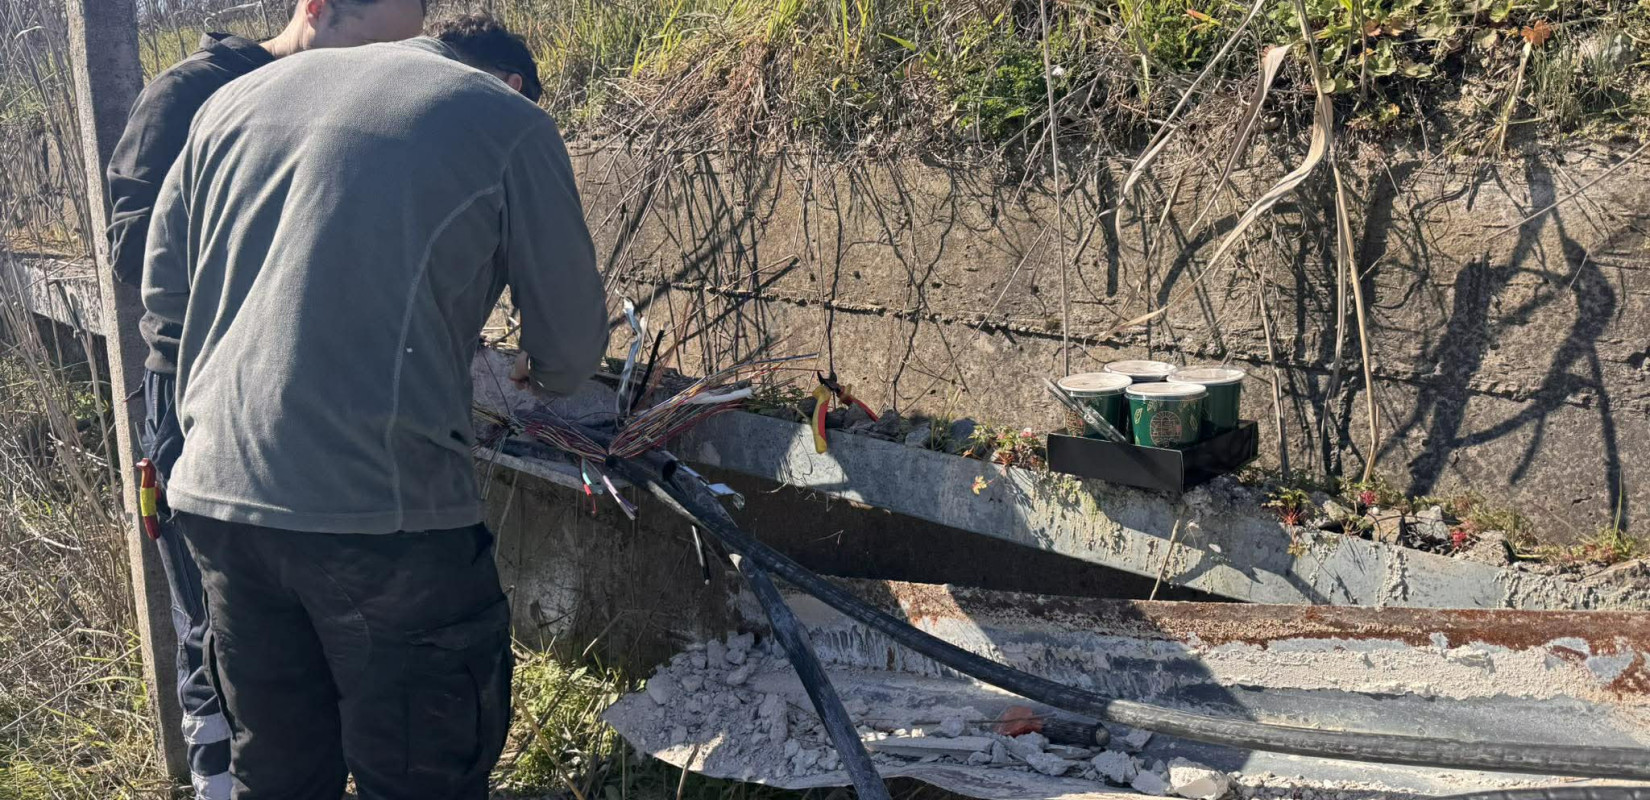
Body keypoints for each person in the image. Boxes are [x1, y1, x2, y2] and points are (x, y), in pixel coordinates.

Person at [139, 13, 607, 799]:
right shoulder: (509, 122)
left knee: (280, 774)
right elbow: (568, 354)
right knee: (423, 775)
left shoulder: (234, 99)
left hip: (219, 502)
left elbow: (162, 294)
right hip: (382, 521)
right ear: (515, 80)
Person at [104, 1, 424, 797]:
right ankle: (218, 774)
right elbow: (132, 250)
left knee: (309, 628)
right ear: (315, 10)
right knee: (218, 624)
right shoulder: (190, 94)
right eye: (368, 48)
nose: (370, 74)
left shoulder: (360, 106)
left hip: (312, 394)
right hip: (197, 397)